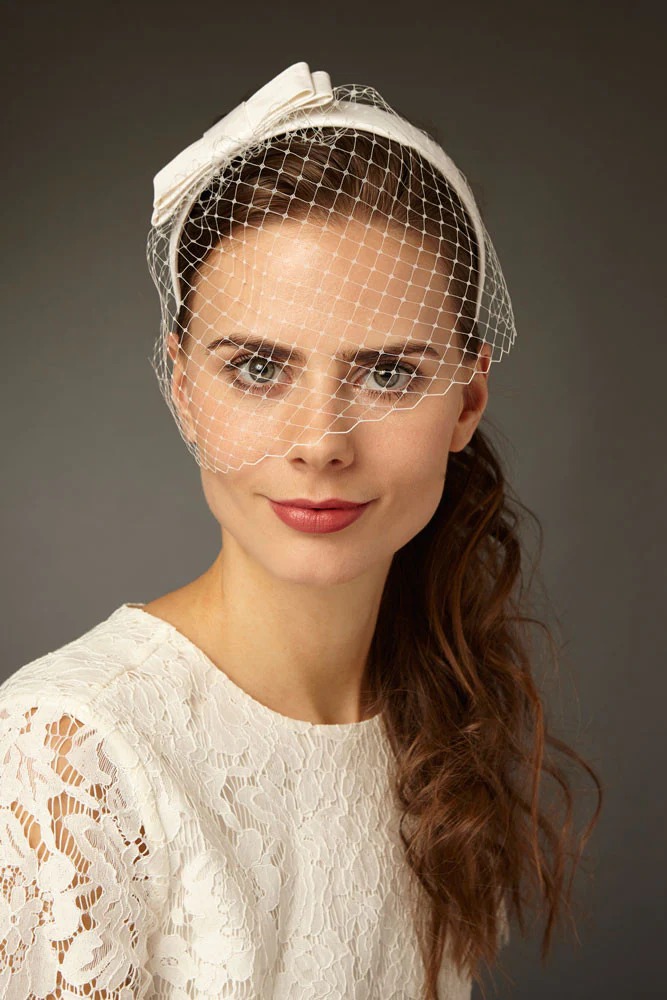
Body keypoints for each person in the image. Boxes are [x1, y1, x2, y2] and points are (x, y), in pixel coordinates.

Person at [0, 62, 602, 999]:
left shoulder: (435, 715)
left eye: (390, 375)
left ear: (467, 398)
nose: (321, 444)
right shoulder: (72, 750)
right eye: (257, 368)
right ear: (184, 387)